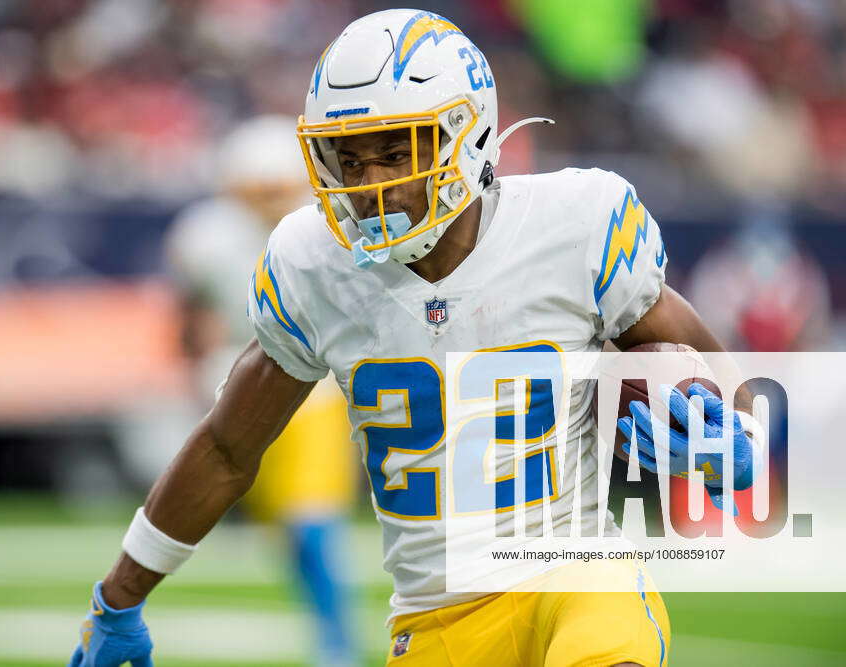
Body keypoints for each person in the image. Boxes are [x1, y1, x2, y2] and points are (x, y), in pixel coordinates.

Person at [68, 9, 758, 666]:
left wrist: (735, 437)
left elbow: (683, 346)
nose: (373, 185)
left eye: (398, 150)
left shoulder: (573, 224)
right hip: (434, 615)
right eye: (351, 160)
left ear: (468, 134)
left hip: (573, 578)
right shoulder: (314, 265)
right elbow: (227, 445)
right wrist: (118, 597)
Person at [164, 115, 358, 667]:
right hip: (240, 386)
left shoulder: (325, 229)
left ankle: (337, 645)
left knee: (313, 526)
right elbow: (188, 319)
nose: (269, 199)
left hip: (315, 393)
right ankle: (330, 636)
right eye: (258, 188)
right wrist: (197, 377)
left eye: (277, 187)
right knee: (289, 535)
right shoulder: (206, 235)